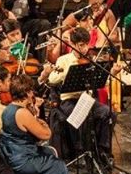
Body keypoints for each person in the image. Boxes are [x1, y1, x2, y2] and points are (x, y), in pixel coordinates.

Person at [0, 73, 76, 174]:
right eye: (31, 91)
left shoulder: (8, 109)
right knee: (59, 167)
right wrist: (41, 121)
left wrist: (34, 113)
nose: (33, 93)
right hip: (22, 160)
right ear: (27, 92)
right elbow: (45, 135)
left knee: (50, 153)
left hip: (11, 154)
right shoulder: (22, 113)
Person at [48, 27, 121, 163]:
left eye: (87, 44)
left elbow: (100, 83)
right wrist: (68, 71)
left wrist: (113, 74)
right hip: (69, 100)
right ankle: (80, 151)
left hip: (87, 99)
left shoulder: (91, 59)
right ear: (73, 45)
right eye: (81, 45)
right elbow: (52, 79)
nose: (85, 48)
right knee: (82, 116)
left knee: (109, 113)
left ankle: (102, 149)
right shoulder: (63, 60)